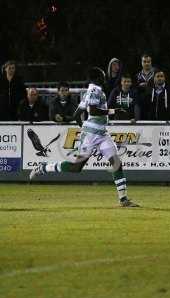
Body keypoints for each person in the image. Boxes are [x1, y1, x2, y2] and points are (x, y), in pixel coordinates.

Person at [29, 67, 139, 208]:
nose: (104, 78)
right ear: (99, 78)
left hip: (100, 133)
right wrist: (112, 111)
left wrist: (84, 127)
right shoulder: (95, 90)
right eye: (103, 76)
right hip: (92, 135)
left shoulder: (90, 90)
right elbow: (92, 110)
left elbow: (76, 114)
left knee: (116, 162)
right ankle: (43, 168)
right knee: (76, 167)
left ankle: (123, 199)